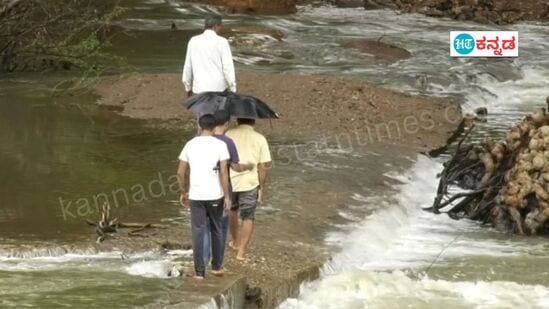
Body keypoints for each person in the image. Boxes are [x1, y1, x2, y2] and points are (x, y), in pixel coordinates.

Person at [176, 114, 232, 279]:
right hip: (215, 194)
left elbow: (180, 172)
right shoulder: (220, 145)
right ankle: (217, 267)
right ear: (215, 128)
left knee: (198, 231)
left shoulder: (190, 145)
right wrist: (227, 196)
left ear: (200, 127)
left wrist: (183, 191)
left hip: (196, 195)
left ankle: (200, 272)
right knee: (217, 229)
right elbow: (223, 172)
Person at [203, 110, 253, 266]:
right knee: (220, 225)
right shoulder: (227, 142)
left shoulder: (199, 139)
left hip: (202, 186)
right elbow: (235, 167)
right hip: (222, 187)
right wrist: (248, 166)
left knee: (204, 225)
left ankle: (204, 258)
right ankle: (216, 261)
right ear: (226, 123)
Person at [226, 118, 271, 261]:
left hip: (231, 180)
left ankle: (234, 241)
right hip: (250, 182)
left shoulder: (229, 134)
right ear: (254, 121)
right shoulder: (260, 139)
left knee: (232, 210)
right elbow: (263, 167)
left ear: (238, 119)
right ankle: (241, 251)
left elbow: (223, 160)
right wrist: (261, 187)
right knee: (248, 217)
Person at [182, 14, 236, 98]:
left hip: (199, 87)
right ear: (215, 26)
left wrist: (187, 86)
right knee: (219, 110)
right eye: (220, 26)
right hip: (219, 87)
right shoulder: (222, 42)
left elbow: (188, 66)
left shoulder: (193, 41)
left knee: (201, 110)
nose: (220, 28)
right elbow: (228, 67)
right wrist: (232, 87)